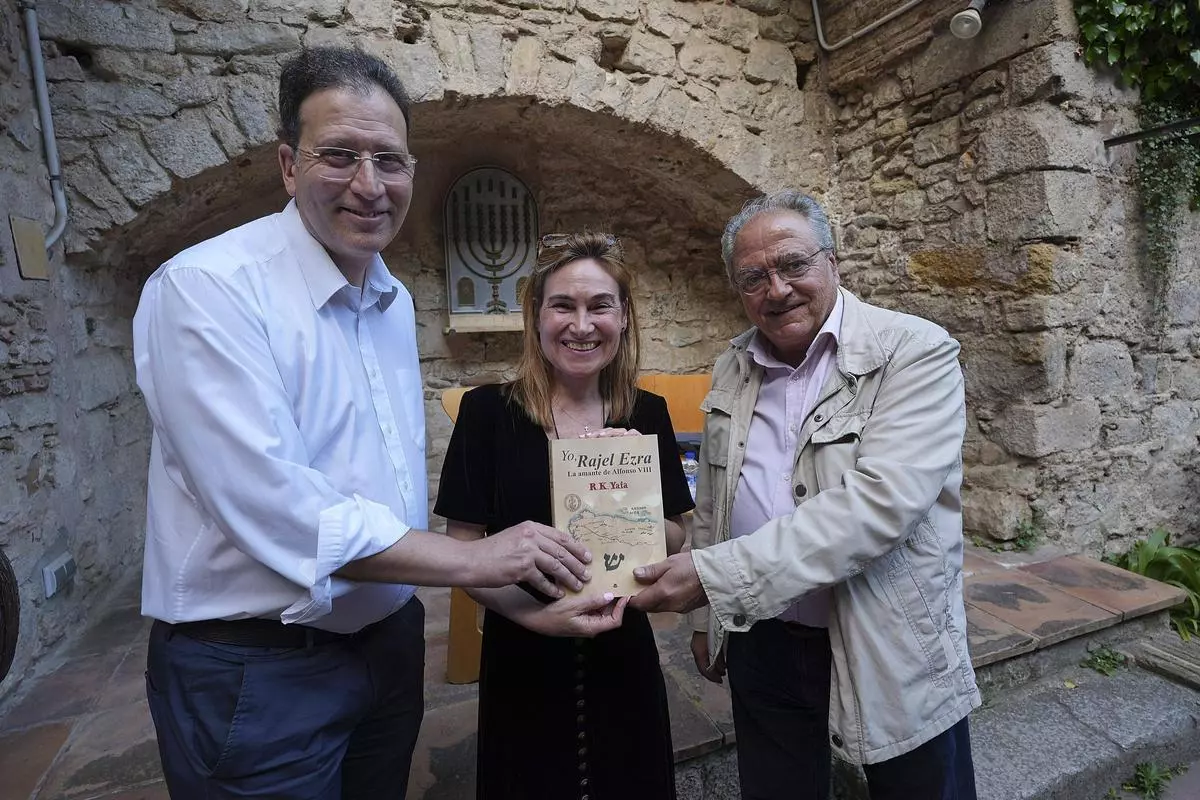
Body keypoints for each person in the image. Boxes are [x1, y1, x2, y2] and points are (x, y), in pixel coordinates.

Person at [132, 47, 621, 800]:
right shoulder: (207, 290)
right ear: (288, 166)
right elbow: (272, 503)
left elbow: (377, 483)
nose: (369, 184)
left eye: (389, 161)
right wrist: (473, 560)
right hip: (257, 667)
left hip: (387, 649)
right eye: (339, 155)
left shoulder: (389, 300)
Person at [630, 191, 980, 799]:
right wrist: (710, 619)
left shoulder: (913, 351)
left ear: (832, 261)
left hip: (884, 636)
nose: (777, 289)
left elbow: (878, 507)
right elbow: (715, 500)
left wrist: (714, 578)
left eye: (794, 264)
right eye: (753, 277)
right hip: (760, 638)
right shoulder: (733, 364)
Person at [435, 232, 695, 800]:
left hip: (622, 647)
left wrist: (630, 497)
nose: (582, 325)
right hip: (522, 649)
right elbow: (462, 548)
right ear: (536, 316)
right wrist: (535, 617)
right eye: (562, 306)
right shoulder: (486, 413)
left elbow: (677, 534)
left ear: (623, 318)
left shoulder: (647, 413)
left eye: (600, 305)